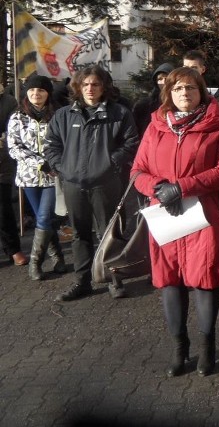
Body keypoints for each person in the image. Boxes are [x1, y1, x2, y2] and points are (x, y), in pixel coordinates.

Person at [131, 67, 219, 377]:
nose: (184, 94)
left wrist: (183, 186)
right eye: (178, 89)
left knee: (205, 281)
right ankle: (180, 346)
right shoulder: (155, 127)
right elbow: (137, 171)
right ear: (169, 93)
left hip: (204, 217)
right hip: (166, 217)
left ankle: (207, 346)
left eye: (190, 88)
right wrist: (159, 188)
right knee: (171, 281)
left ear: (201, 91)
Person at [44, 65, 139, 301]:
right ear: (78, 86)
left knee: (109, 233)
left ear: (104, 87)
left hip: (106, 184)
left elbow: (131, 143)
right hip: (74, 184)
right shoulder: (64, 115)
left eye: (95, 84)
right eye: (85, 84)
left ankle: (113, 279)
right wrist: (62, 168)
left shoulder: (119, 113)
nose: (90, 89)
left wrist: (110, 163)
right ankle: (82, 281)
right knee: (80, 235)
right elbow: (51, 145)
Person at [7, 75, 67, 279]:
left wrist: (54, 162)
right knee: (46, 218)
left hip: (53, 175)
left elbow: (65, 141)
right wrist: (39, 163)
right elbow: (14, 147)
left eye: (40, 90)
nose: (36, 94)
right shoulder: (17, 116)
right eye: (32, 90)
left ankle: (35, 263)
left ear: (48, 93)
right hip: (29, 176)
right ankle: (58, 257)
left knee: (43, 217)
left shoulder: (59, 114)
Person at [0, 83, 27, 267]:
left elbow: (13, 131)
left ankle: (13, 249)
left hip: (2, 161)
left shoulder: (8, 101)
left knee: (3, 208)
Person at [132, 62, 174, 135]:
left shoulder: (180, 103)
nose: (163, 82)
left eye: (166, 78)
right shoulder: (144, 105)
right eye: (160, 79)